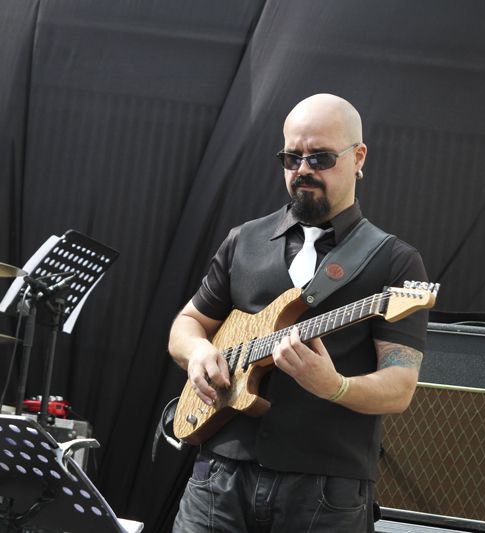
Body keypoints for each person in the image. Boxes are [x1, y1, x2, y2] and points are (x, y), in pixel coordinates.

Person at [168, 93, 429, 532]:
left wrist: (336, 387)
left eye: (320, 157)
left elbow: (400, 386)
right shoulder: (244, 240)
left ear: (358, 157)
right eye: (292, 158)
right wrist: (197, 352)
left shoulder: (395, 262)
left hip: (325, 492)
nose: (303, 169)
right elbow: (188, 323)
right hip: (219, 478)